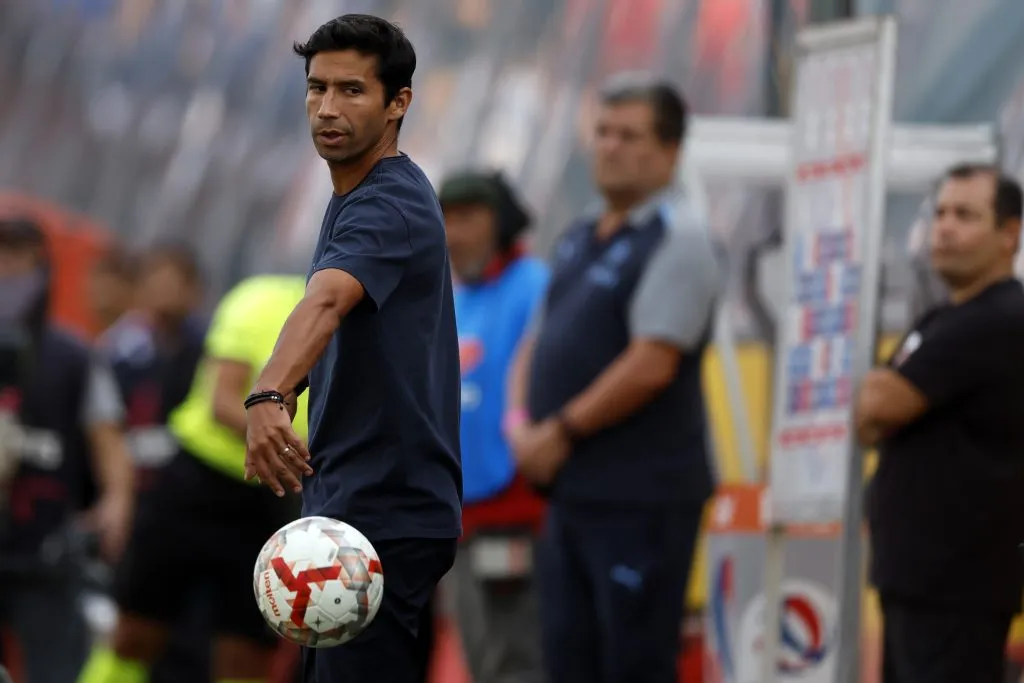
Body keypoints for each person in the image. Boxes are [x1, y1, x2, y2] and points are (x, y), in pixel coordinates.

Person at [243, 14, 462, 683]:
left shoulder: (388, 202)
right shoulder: (355, 195)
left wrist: (271, 391)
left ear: (399, 102)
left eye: (351, 90)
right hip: (350, 497)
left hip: (385, 507)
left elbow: (326, 302)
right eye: (316, 89)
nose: (327, 108)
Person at [507, 75, 721, 683]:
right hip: (571, 493)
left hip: (641, 498)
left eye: (630, 135)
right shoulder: (580, 233)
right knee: (567, 659)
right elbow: (537, 342)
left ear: (671, 151)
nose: (610, 146)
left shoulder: (679, 238)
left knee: (632, 663)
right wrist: (522, 426)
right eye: (603, 131)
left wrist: (562, 433)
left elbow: (653, 363)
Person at [77, 274, 309, 683]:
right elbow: (223, 401)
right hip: (195, 484)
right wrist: (304, 455)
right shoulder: (261, 297)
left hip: (268, 501)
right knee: (135, 634)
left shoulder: (370, 320)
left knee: (246, 655)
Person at [857, 163, 1024, 683]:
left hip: (958, 583)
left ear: (1009, 234)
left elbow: (879, 405)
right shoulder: (943, 318)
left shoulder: (998, 318)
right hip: (918, 579)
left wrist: (879, 396)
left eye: (966, 215)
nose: (945, 228)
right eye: (941, 213)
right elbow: (867, 415)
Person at [0, 217, 134, 683]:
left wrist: (117, 501)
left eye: (20, 260)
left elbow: (107, 436)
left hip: (44, 547)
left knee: (54, 669)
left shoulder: (72, 356)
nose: (8, 272)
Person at [440, 170, 549, 683]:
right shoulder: (455, 299)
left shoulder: (536, 288)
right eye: (445, 220)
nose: (453, 234)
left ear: (501, 222)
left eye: (467, 218)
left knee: (519, 657)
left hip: (519, 508)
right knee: (481, 658)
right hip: (461, 513)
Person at [97, 242, 211, 683]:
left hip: (191, 510)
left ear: (194, 291)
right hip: (142, 512)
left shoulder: (206, 350)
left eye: (172, 283)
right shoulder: (122, 352)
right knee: (131, 627)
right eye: (153, 282)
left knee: (186, 642)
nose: (161, 293)